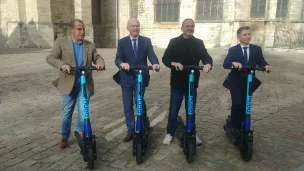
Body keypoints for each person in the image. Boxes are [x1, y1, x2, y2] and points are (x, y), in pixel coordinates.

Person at [46, 19, 105, 148]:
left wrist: (100, 62)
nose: (82, 32)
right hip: (68, 83)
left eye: (83, 29)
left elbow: (97, 56)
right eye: (79, 29)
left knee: (84, 111)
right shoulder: (61, 42)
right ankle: (65, 136)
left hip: (85, 83)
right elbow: (50, 58)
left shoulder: (90, 45)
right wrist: (63, 65)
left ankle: (80, 131)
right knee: (67, 112)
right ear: (71, 30)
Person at [162, 18, 213, 146]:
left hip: (192, 82)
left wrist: (207, 63)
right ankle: (170, 133)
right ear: (182, 28)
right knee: (174, 110)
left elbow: (206, 56)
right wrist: (172, 63)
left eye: (192, 26)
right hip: (177, 82)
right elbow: (165, 57)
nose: (190, 28)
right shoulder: (174, 42)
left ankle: (192, 132)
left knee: (190, 109)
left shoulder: (199, 43)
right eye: (187, 26)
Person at [114, 18, 160, 142]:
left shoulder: (146, 41)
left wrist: (155, 63)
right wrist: (122, 64)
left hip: (141, 76)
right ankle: (131, 130)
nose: (135, 28)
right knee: (127, 104)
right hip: (127, 77)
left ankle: (144, 125)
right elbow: (117, 59)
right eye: (133, 26)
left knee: (139, 101)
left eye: (137, 26)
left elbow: (151, 55)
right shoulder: (122, 42)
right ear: (128, 28)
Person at [222, 26, 270, 137]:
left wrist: (266, 65)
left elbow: (261, 61)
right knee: (237, 104)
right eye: (245, 34)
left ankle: (243, 123)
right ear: (239, 37)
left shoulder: (256, 49)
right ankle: (235, 126)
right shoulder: (233, 50)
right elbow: (226, 63)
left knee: (245, 104)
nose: (248, 36)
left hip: (249, 82)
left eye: (249, 34)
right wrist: (233, 63)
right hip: (235, 81)